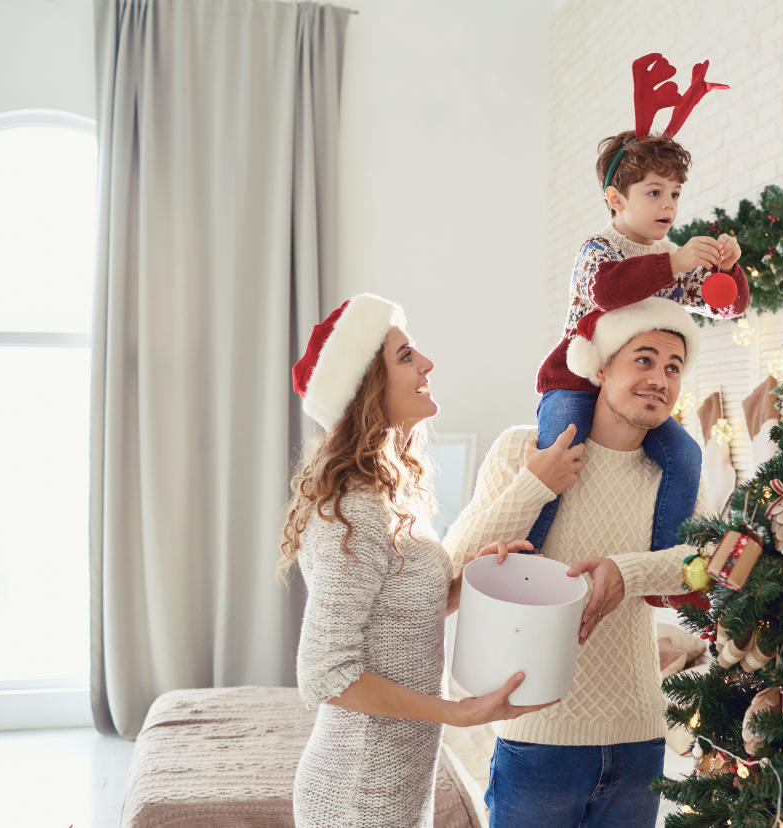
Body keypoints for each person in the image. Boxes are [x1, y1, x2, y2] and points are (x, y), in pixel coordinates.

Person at [280, 293, 553, 828]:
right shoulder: (355, 509)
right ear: (367, 389)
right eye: (405, 356)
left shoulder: (389, 493)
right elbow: (324, 674)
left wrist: (475, 580)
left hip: (396, 785)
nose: (427, 363)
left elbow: (403, 610)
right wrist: (457, 712)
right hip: (356, 793)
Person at [443, 296, 710, 827]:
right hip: (538, 738)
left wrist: (627, 572)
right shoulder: (525, 448)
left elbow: (702, 561)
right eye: (644, 359)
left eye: (673, 368)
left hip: (639, 738)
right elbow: (453, 566)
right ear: (602, 366)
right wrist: (535, 486)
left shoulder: (672, 476)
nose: (659, 377)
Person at [528, 127, 748, 555]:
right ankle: (527, 550)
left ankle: (668, 563)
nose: (668, 204)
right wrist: (675, 262)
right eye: (654, 192)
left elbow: (727, 307)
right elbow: (606, 291)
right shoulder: (599, 249)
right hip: (575, 381)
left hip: (632, 390)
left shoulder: (671, 257)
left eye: (675, 194)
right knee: (557, 452)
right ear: (616, 199)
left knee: (685, 457)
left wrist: (728, 269)